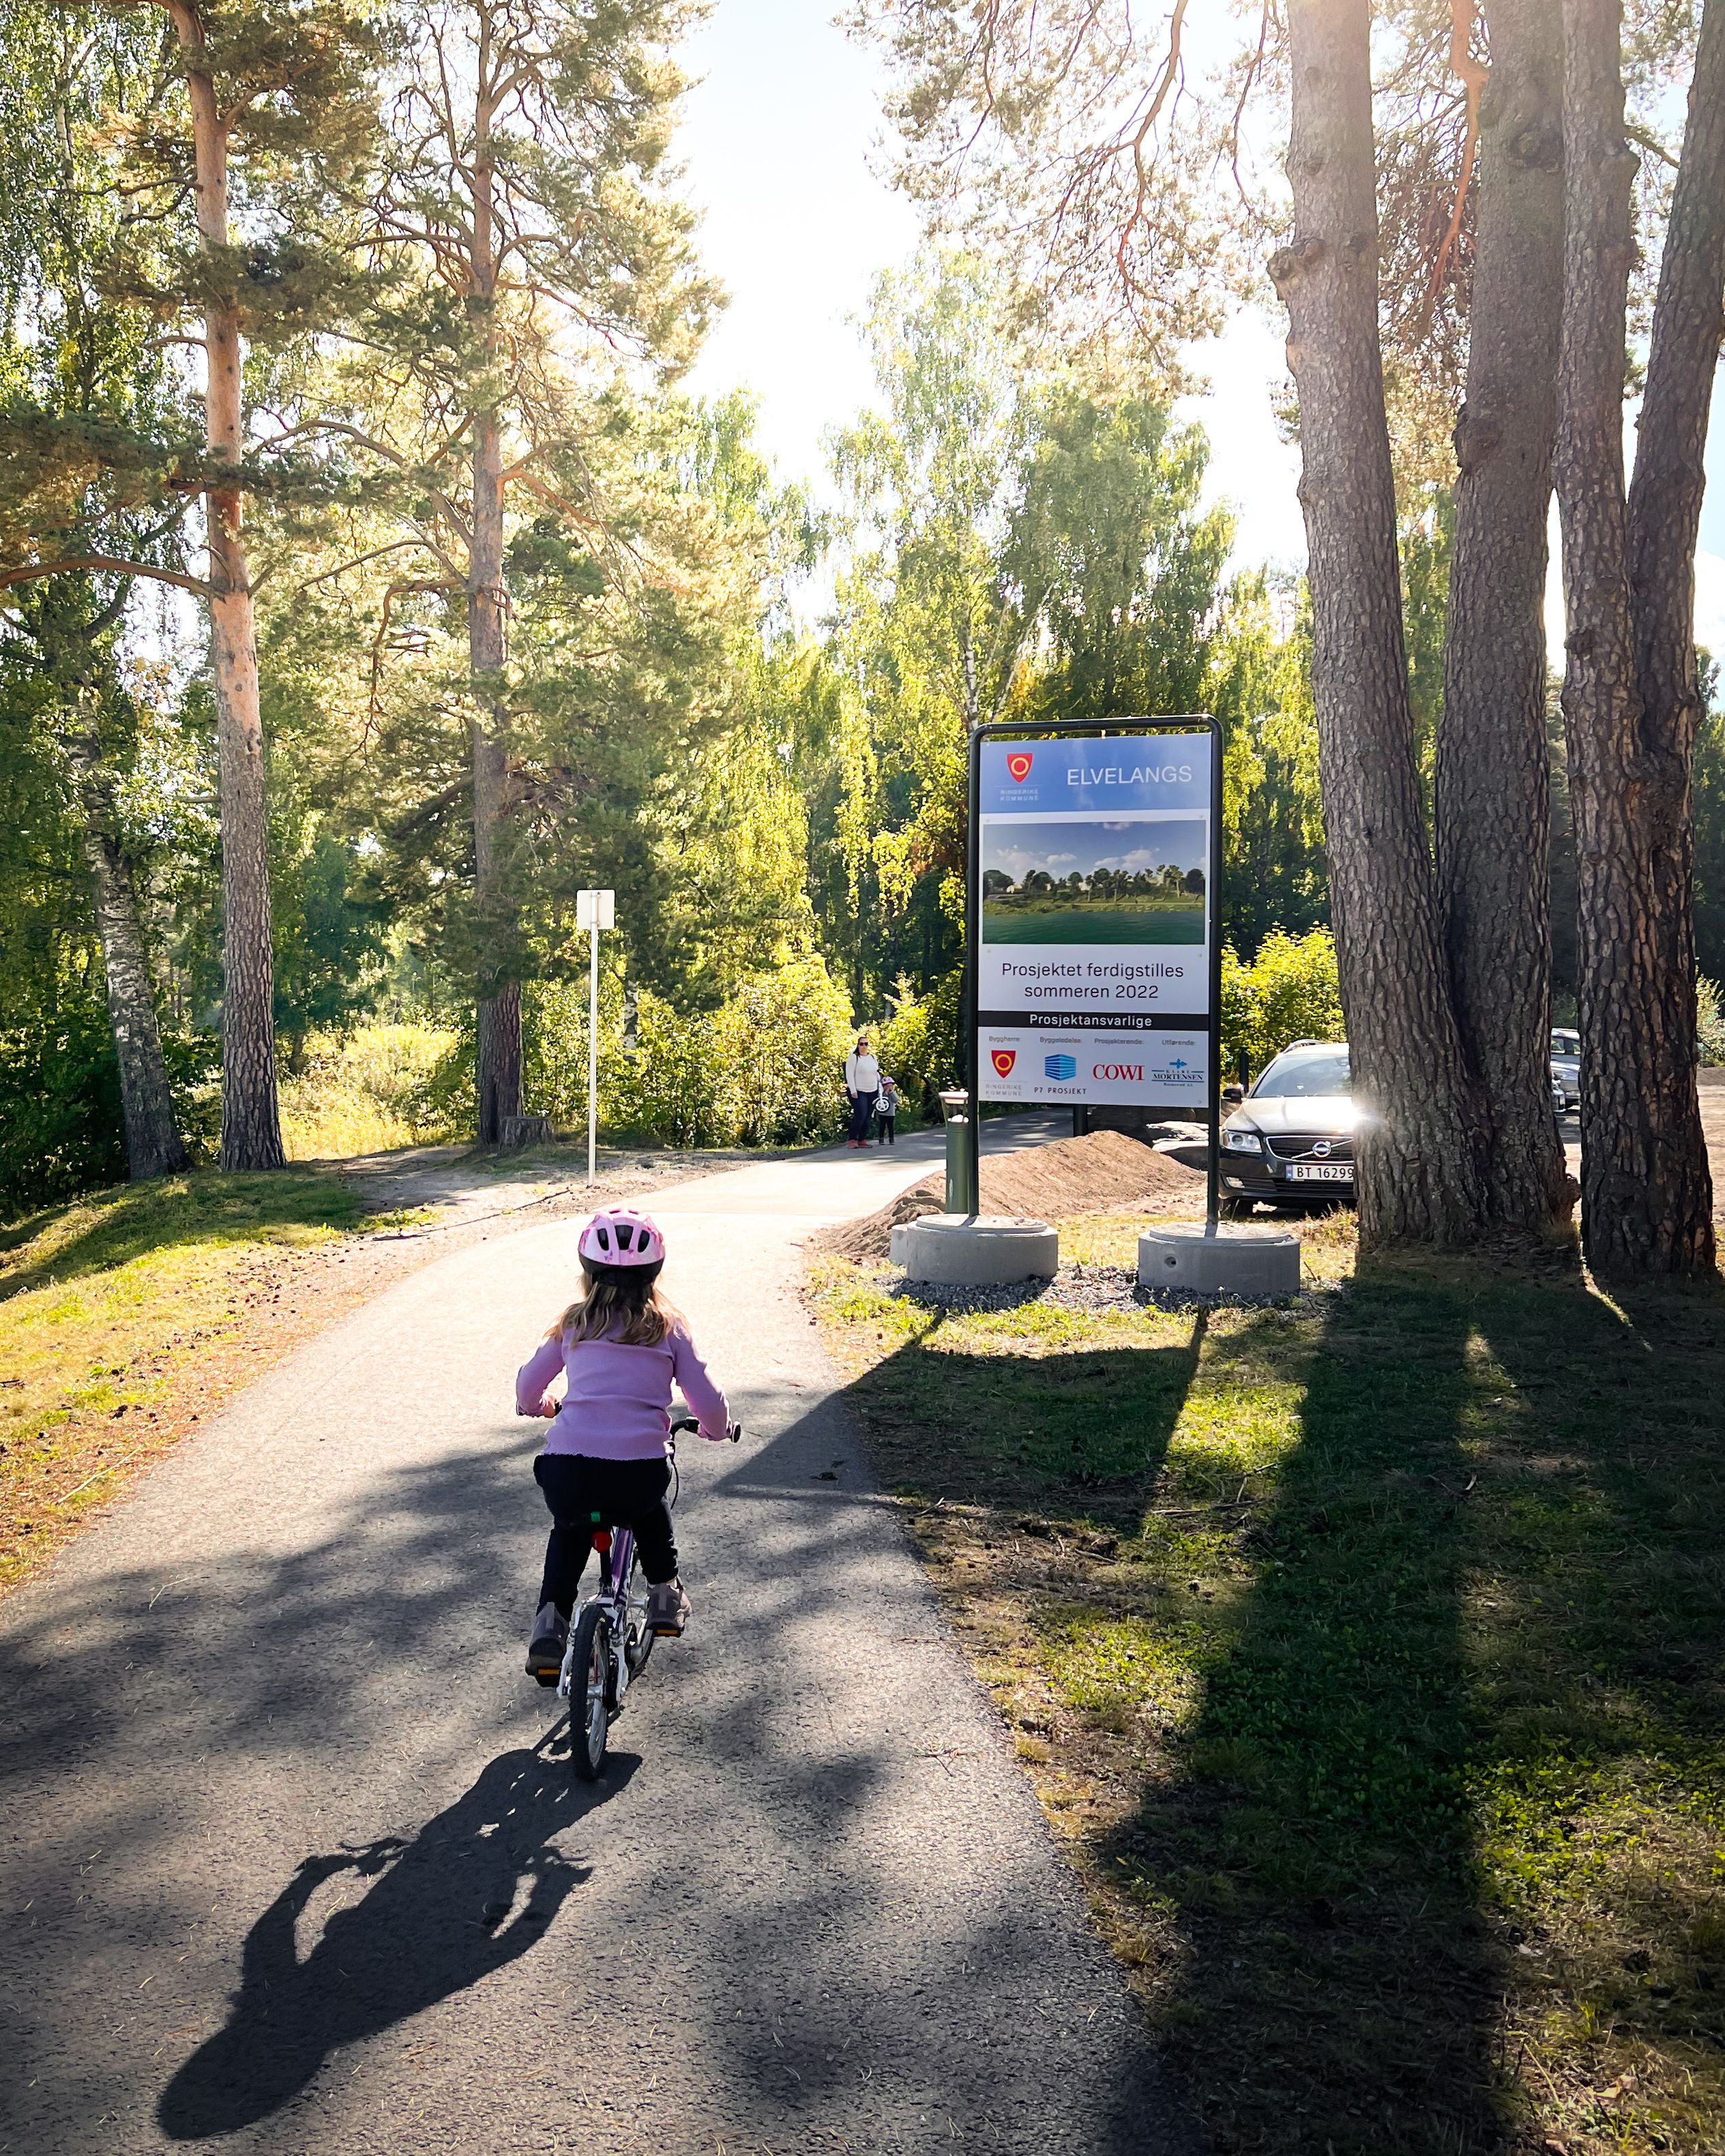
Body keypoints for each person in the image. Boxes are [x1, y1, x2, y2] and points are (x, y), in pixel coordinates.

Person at [515, 1205, 730, 1681]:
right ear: (654, 1273)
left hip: (569, 1471)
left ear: (588, 1273)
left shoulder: (573, 1324)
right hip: (635, 1474)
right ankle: (664, 1593)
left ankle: (549, 1624)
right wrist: (715, 1429)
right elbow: (708, 1400)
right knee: (648, 1504)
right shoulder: (668, 1328)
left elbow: (528, 1387)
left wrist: (541, 1406)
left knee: (570, 1529)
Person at [843, 1033, 880, 1148]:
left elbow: (876, 1073)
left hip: (873, 1090)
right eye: (861, 1044)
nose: (864, 1046)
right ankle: (852, 1139)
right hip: (859, 1091)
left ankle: (862, 1139)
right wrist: (853, 1091)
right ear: (858, 1045)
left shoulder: (873, 1058)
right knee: (861, 1115)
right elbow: (849, 1075)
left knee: (868, 1117)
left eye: (866, 1044)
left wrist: (881, 1087)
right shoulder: (854, 1058)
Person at [874, 1070, 900, 1145]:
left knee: (890, 1127)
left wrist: (891, 1093)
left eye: (890, 1086)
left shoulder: (893, 1093)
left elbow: (896, 1100)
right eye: (887, 1086)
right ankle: (881, 1139)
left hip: (891, 1113)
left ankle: (891, 1139)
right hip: (883, 1113)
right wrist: (885, 1093)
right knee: (882, 1126)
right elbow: (880, 1100)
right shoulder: (881, 1094)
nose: (889, 1087)